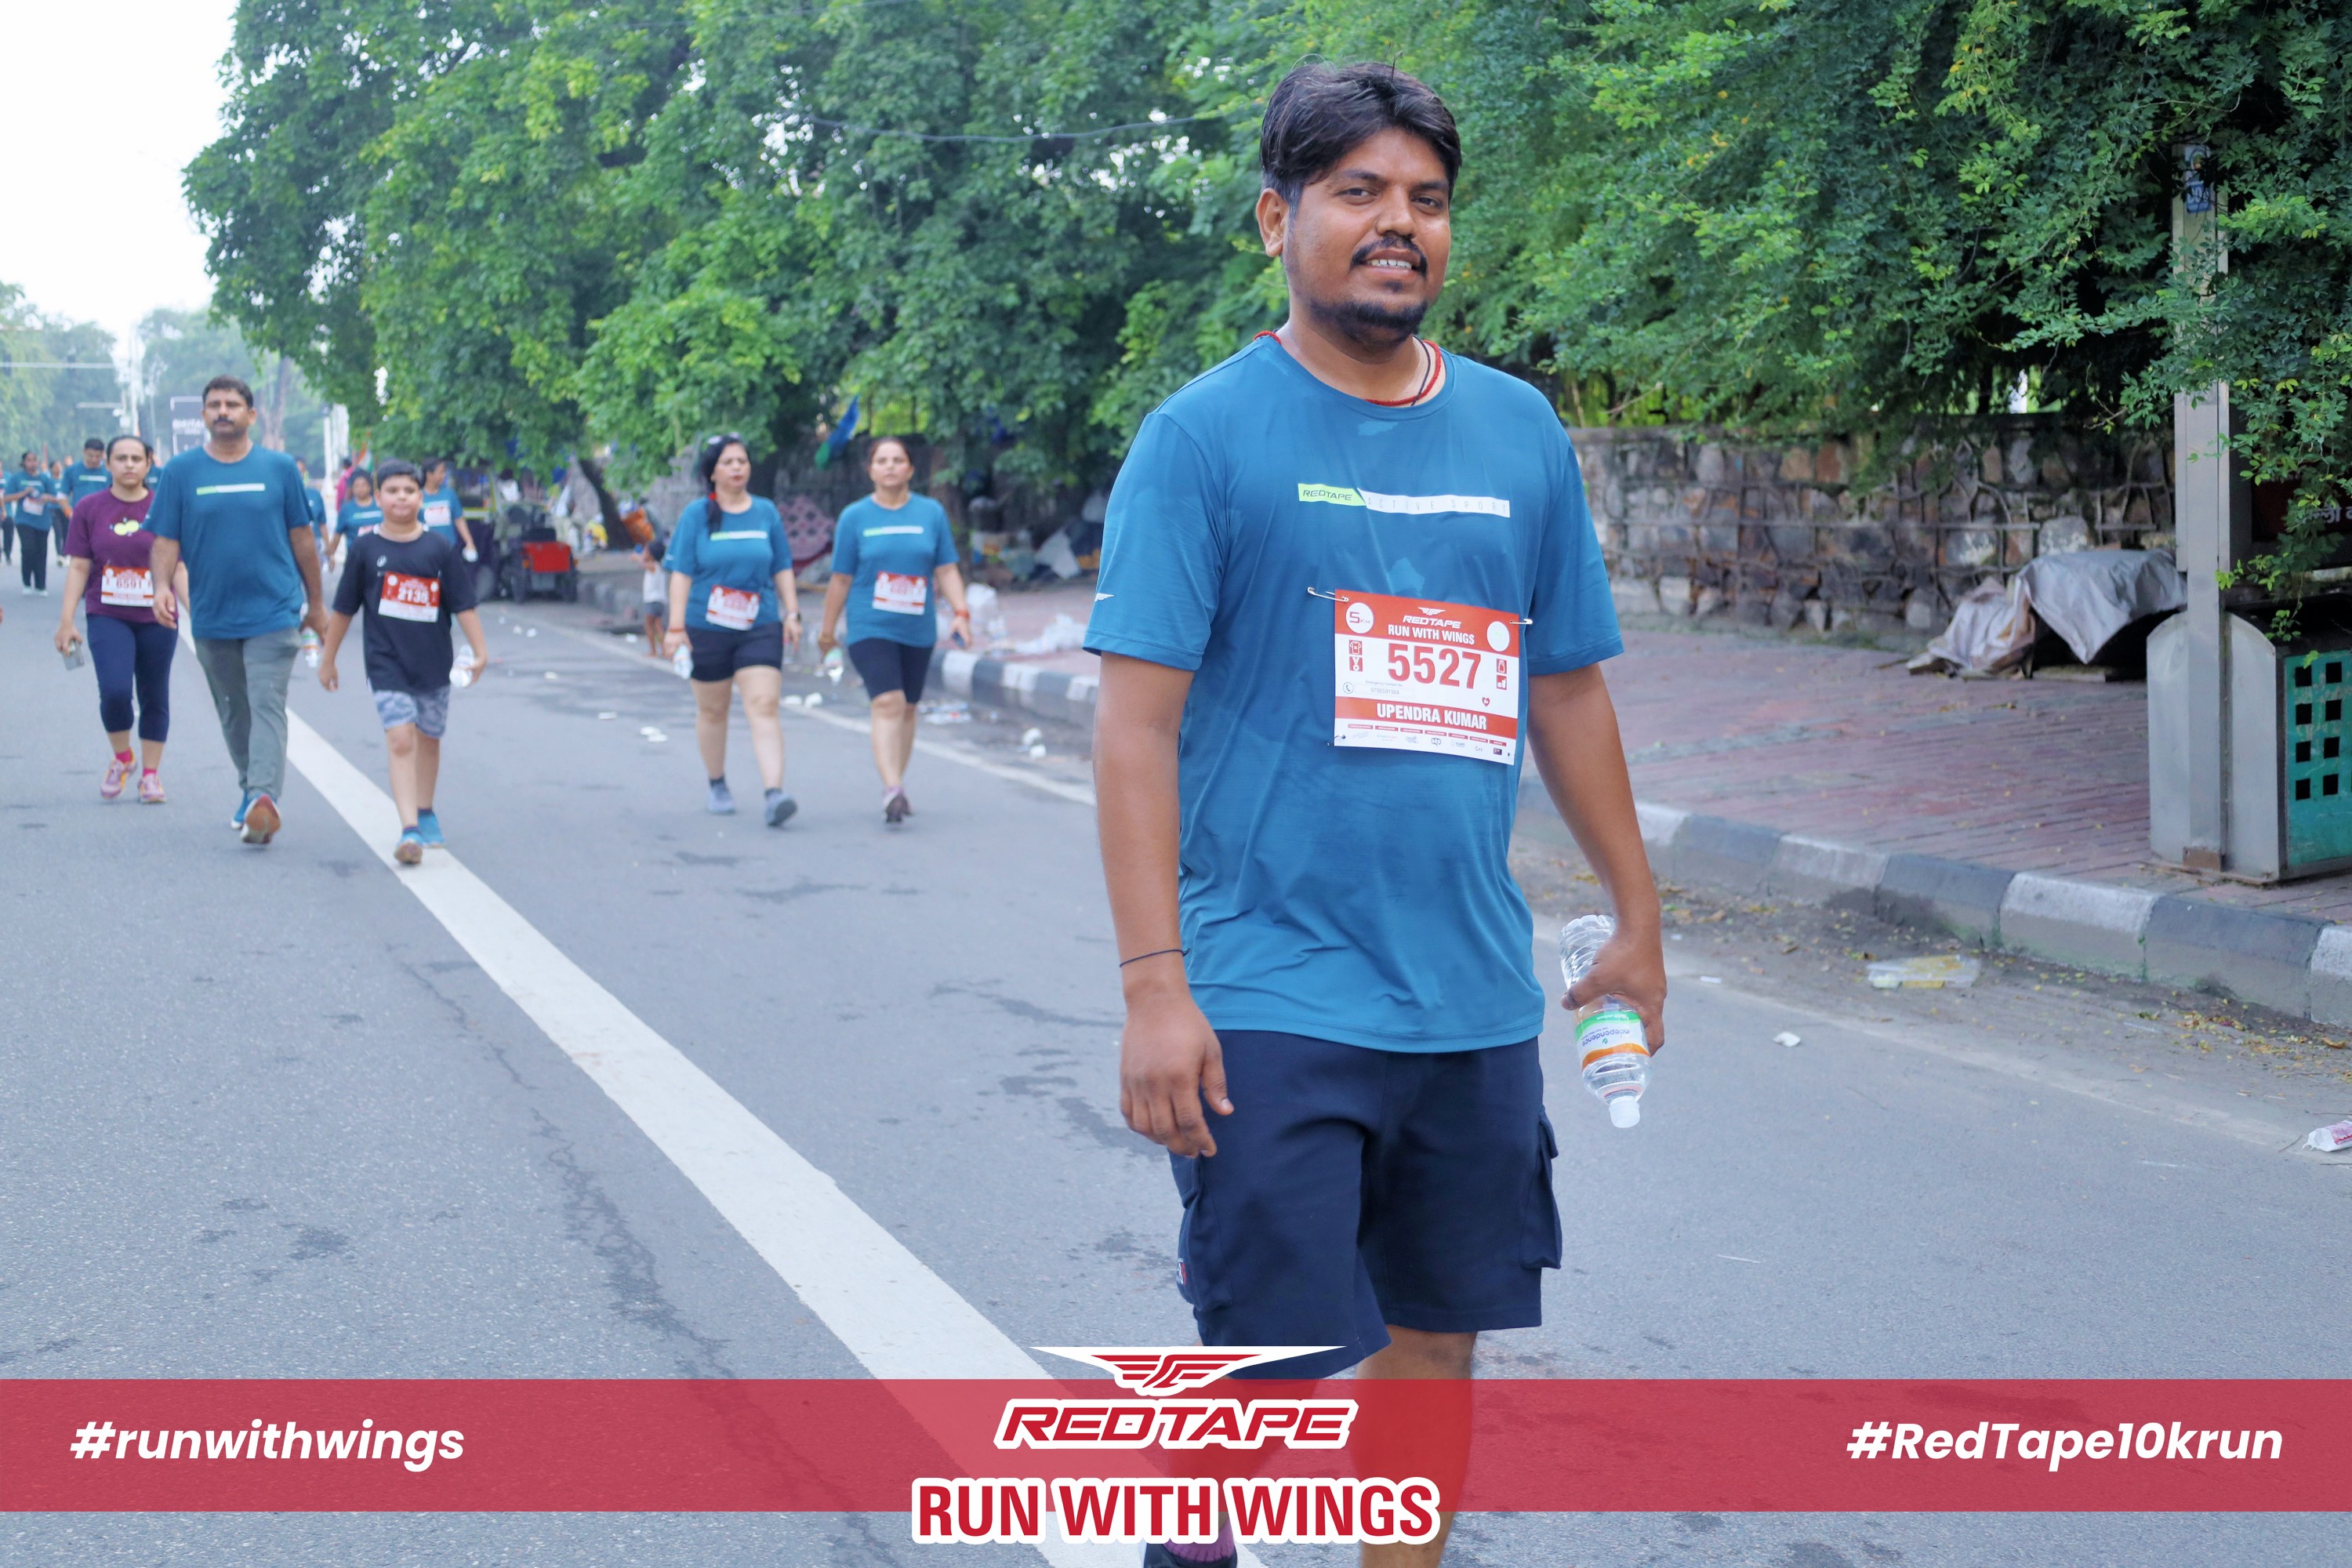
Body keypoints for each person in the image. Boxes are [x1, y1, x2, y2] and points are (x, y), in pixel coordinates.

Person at [1085, 64, 1667, 1568]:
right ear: (1276, 219)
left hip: (1468, 997)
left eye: (1426, 199)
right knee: (1264, 1366)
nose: (1399, 223)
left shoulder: (1520, 434)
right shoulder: (1203, 439)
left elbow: (1568, 692)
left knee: (1434, 1345)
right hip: (1269, 986)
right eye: (1358, 192)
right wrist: (1154, 989)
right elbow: (1136, 729)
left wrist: (1639, 915)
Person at [146, 374, 330, 845]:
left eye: (232, 404)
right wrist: (161, 586)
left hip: (275, 610)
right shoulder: (181, 472)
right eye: (214, 405)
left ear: (251, 415)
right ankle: (252, 790)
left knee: (266, 700)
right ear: (203, 416)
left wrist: (316, 603)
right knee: (233, 708)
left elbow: (302, 538)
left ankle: (263, 795)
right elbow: (166, 538)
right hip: (212, 613)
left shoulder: (279, 468)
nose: (223, 411)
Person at [318, 459, 488, 864]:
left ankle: (425, 811)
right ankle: (409, 829)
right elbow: (343, 610)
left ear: (421, 498)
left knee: (429, 737)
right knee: (400, 738)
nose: (401, 498)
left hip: (433, 662)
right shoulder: (365, 550)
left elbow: (463, 605)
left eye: (409, 491)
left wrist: (480, 651)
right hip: (386, 663)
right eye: (392, 491)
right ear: (378, 497)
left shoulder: (439, 549)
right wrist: (328, 659)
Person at [815, 436, 970, 824]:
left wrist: (961, 612)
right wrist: (827, 631)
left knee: (908, 708)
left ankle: (896, 782)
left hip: (917, 627)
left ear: (910, 469)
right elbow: (841, 578)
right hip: (870, 625)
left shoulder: (930, 513)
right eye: (881, 461)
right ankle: (892, 789)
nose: (889, 467)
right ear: (870, 470)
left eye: (897, 460)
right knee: (889, 702)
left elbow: (946, 568)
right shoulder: (855, 517)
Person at [661, 435, 801, 825]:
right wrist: (675, 628)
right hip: (706, 627)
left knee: (764, 704)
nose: (737, 468)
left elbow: (782, 565)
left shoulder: (766, 512)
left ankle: (774, 793)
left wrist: (792, 613)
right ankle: (717, 783)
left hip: (760, 624)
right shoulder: (695, 515)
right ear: (712, 472)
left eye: (742, 461)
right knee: (713, 709)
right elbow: (680, 574)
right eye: (728, 462)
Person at [55, 434, 183, 803]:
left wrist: (198, 613)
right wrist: (66, 620)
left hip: (157, 616)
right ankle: (123, 757)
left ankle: (151, 776)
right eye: (121, 458)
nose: (129, 465)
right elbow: (79, 566)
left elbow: (179, 567)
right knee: (114, 692)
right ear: (108, 464)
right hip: (107, 614)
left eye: (136, 459)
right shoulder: (89, 508)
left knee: (154, 693)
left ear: (148, 464)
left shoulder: (165, 508)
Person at [6, 452, 59, 593]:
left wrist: (48, 497)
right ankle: (27, 582)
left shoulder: (45, 479)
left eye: (34, 460)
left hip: (42, 521)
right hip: (24, 520)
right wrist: (23, 493)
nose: (32, 463)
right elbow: (6, 498)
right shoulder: (17, 478)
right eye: (29, 460)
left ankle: (41, 585)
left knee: (41, 552)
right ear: (24, 462)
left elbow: (57, 498)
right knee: (28, 549)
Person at [418, 458, 478, 562]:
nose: (444, 475)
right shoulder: (418, 496)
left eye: (444, 472)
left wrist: (469, 542)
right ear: (429, 475)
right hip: (425, 550)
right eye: (441, 472)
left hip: (449, 548)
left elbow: (459, 520)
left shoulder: (449, 494)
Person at [330, 468, 383, 574]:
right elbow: (337, 534)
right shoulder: (346, 509)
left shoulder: (380, 505)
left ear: (369, 486)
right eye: (357, 486)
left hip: (381, 558)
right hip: (355, 559)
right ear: (352, 489)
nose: (360, 489)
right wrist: (331, 555)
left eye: (363, 485)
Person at [639, 530, 668, 656]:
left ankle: (653, 650)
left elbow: (642, 563)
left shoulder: (653, 566)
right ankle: (665, 650)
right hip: (660, 601)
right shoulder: (659, 567)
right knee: (658, 626)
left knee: (649, 626)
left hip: (652, 600)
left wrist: (640, 556)